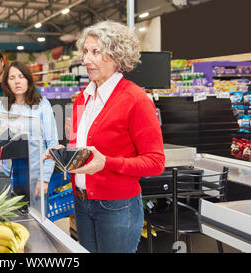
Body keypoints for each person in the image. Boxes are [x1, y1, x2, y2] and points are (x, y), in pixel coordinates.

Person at [45, 20, 165, 253]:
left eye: (96, 52)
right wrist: (63, 154)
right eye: (86, 52)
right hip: (81, 202)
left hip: (117, 207)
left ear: (116, 55)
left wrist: (107, 163)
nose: (86, 60)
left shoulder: (136, 99)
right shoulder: (83, 98)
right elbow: (82, 149)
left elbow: (155, 162)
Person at [0, 61, 59, 197]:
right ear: (6, 83)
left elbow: (52, 145)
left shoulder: (42, 105)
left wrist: (45, 179)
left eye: (21, 76)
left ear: (28, 79)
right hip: (8, 179)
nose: (17, 82)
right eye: (12, 78)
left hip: (36, 178)